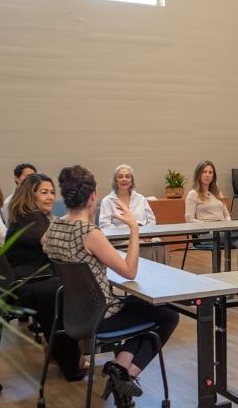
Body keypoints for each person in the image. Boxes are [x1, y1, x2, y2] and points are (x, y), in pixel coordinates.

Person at [44, 165, 179, 403]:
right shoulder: (89, 233)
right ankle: (126, 372)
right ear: (93, 196)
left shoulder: (52, 227)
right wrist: (134, 228)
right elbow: (129, 271)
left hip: (71, 314)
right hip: (101, 316)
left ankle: (120, 368)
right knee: (167, 315)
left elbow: (50, 248)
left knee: (142, 305)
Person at [6, 173, 85, 381]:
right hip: (33, 286)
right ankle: (72, 360)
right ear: (30, 195)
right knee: (76, 289)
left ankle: (66, 352)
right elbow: (54, 248)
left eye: (52, 192)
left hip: (26, 283)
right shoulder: (33, 219)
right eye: (44, 192)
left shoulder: (27, 217)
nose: (50, 197)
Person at [185, 160, 238, 270]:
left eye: (210, 172)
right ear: (198, 174)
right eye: (204, 172)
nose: (207, 175)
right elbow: (189, 219)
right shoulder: (193, 194)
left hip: (224, 230)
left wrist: (228, 225)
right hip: (207, 233)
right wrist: (207, 225)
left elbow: (226, 214)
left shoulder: (217, 192)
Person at [98, 164, 168, 264]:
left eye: (127, 176)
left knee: (159, 243)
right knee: (144, 246)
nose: (124, 179)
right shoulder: (107, 201)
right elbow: (104, 225)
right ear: (115, 180)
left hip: (144, 236)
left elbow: (151, 220)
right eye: (120, 176)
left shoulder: (141, 198)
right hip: (121, 239)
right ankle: (143, 276)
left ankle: (162, 275)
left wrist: (147, 234)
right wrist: (131, 234)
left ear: (132, 180)